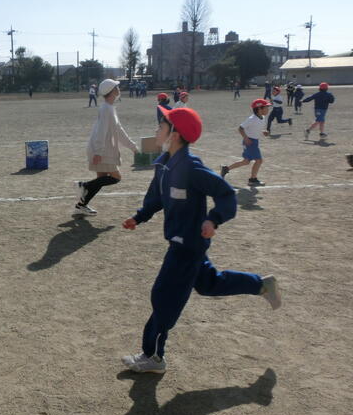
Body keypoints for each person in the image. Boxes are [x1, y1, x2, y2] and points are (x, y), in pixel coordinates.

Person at [120, 106, 281, 374]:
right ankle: (261, 285)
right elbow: (155, 199)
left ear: (175, 135)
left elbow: (225, 193)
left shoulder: (191, 168)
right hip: (180, 242)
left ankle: (153, 357)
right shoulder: (162, 165)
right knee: (209, 284)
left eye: (161, 126)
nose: (156, 130)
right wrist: (139, 217)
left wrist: (213, 219)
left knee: (163, 296)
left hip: (188, 246)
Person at [75, 79, 138, 215]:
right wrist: (98, 152)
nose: (119, 88)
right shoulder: (106, 109)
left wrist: (132, 147)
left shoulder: (109, 108)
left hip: (102, 150)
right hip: (102, 151)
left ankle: (81, 205)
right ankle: (84, 185)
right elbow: (101, 131)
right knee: (116, 177)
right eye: (117, 87)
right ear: (112, 91)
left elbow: (119, 131)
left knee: (101, 179)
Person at [220, 98, 271, 186]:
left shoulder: (262, 117)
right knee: (259, 160)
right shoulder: (252, 119)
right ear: (259, 108)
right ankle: (252, 180)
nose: (268, 109)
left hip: (254, 141)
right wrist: (246, 138)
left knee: (246, 161)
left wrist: (263, 132)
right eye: (266, 107)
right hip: (250, 142)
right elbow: (241, 128)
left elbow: (255, 128)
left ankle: (226, 169)